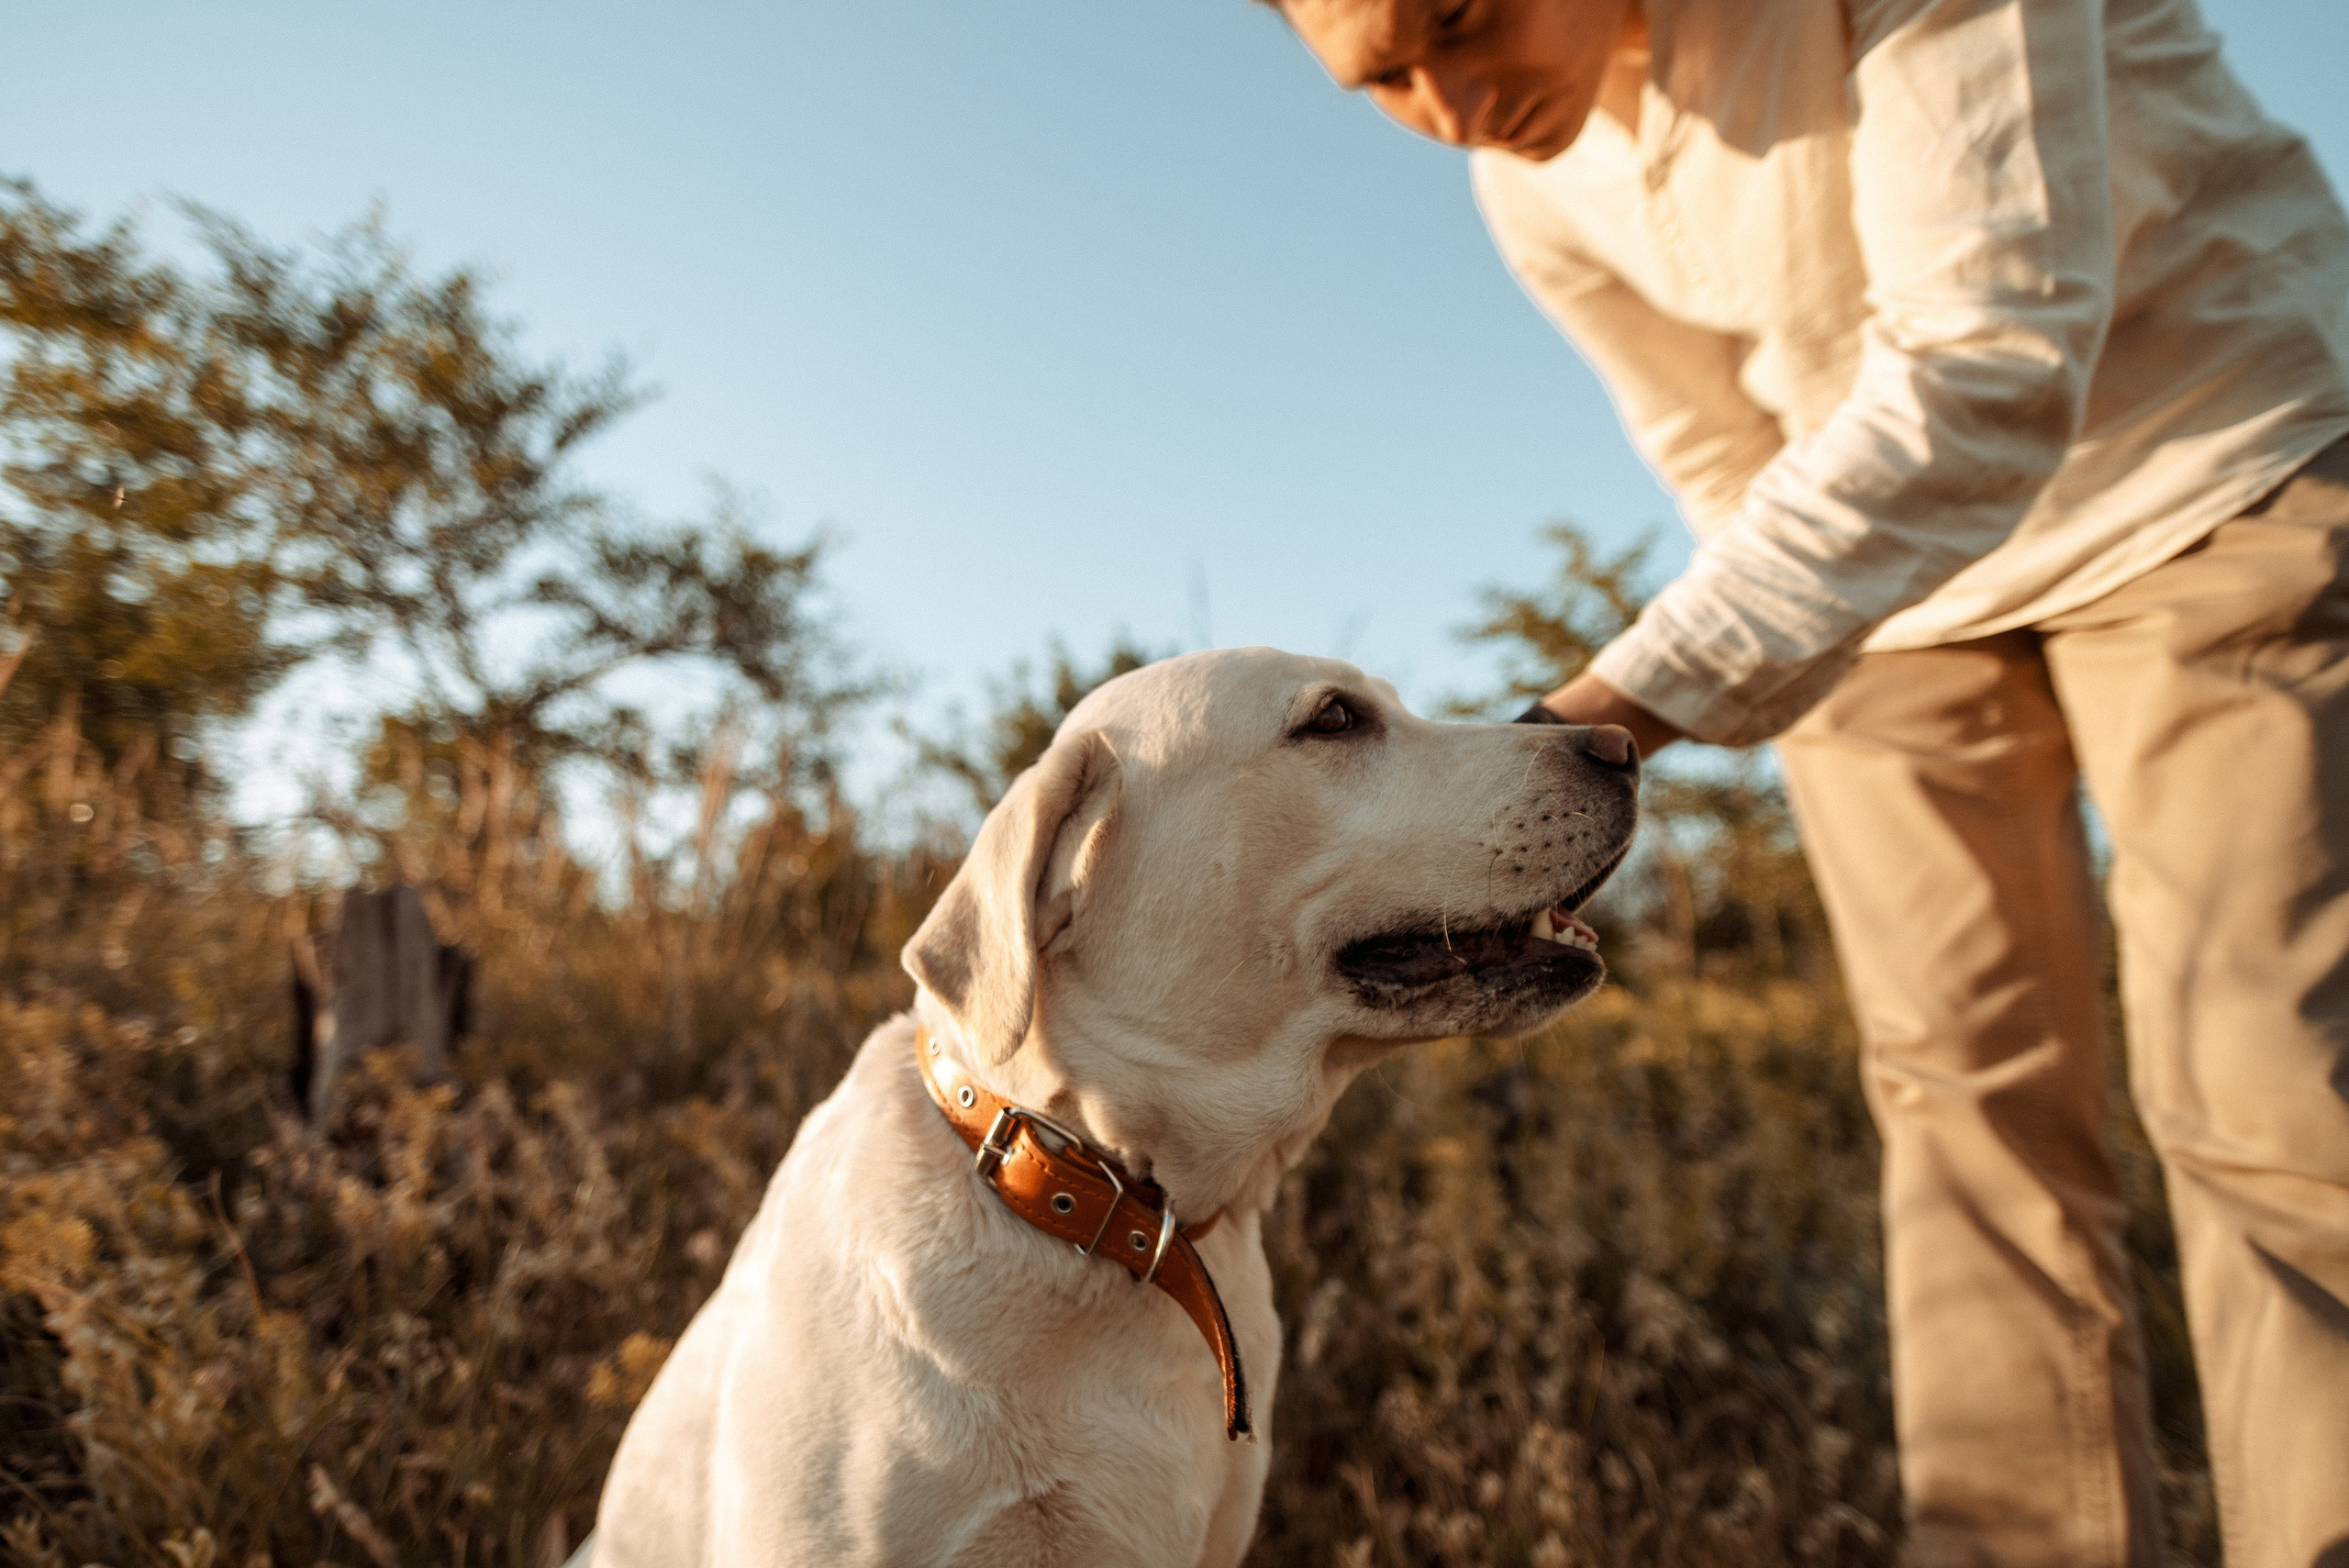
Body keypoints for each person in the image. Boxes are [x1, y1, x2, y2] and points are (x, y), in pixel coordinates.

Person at [1268, 0, 2349, 1562]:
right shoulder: (1527, 184)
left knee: (2269, 1080)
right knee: (1961, 1098)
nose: (1448, 98)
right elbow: (1722, 459)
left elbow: (1994, 357)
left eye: (1465, 17)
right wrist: (1768, 643)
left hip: (2207, 459)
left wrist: (1573, 729)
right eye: (1382, 78)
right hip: (1886, 595)